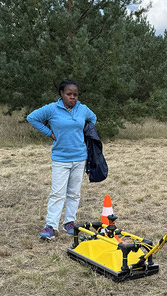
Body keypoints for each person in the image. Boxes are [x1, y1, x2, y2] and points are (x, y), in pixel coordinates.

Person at [27, 79, 97, 240]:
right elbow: (32, 118)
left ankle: (69, 223)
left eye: (75, 95)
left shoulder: (83, 109)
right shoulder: (52, 109)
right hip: (61, 159)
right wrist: (48, 132)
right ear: (61, 94)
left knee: (74, 193)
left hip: (80, 157)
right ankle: (51, 226)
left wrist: (87, 133)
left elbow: (93, 118)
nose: (73, 97)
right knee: (58, 193)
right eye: (69, 94)